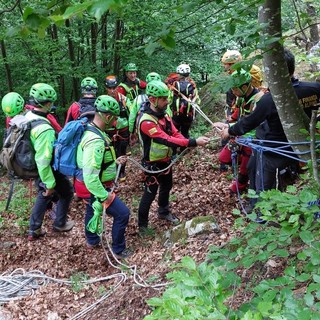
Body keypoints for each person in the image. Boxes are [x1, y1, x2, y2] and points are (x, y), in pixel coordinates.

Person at [216, 48, 320, 221]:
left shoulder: (270, 99)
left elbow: (249, 122)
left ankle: (262, 216)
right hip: (301, 147)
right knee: (253, 169)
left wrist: (229, 131)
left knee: (263, 184)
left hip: (272, 150)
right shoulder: (313, 89)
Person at [137, 80, 210, 232]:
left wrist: (187, 141)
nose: (167, 101)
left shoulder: (164, 115)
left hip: (165, 161)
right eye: (163, 99)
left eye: (167, 97)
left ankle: (163, 212)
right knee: (149, 194)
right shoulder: (146, 122)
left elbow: (175, 132)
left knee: (167, 187)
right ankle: (143, 227)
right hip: (152, 165)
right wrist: (192, 142)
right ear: (152, 99)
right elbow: (166, 139)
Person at [76, 95, 132, 259]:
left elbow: (99, 163)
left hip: (90, 186)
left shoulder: (93, 129)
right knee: (122, 214)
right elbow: (91, 175)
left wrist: (115, 162)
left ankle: (92, 239)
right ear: (107, 116)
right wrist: (104, 196)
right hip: (95, 187)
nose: (115, 122)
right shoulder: (95, 141)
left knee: (90, 208)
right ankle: (119, 250)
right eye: (114, 118)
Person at [26, 83, 74, 240]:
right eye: (51, 102)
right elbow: (43, 159)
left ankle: (35, 228)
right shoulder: (44, 129)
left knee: (45, 194)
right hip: (46, 168)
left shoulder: (28, 116)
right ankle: (59, 223)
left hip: (33, 165)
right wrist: (49, 183)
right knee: (65, 191)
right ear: (46, 103)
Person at [213, 69, 265, 194]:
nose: (233, 91)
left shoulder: (258, 101)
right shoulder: (241, 99)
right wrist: (226, 125)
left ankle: (241, 184)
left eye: (235, 89)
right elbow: (238, 117)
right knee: (224, 158)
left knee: (245, 168)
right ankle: (242, 167)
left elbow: (252, 122)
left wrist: (230, 129)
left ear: (246, 86)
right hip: (240, 135)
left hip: (252, 140)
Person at [104, 75, 132, 182]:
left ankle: (122, 171)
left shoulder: (124, 100)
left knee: (122, 151)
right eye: (110, 88)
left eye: (114, 88)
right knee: (111, 153)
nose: (112, 90)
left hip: (123, 130)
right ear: (106, 88)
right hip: (109, 131)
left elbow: (131, 114)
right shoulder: (103, 101)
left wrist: (132, 130)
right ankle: (112, 172)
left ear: (117, 87)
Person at [128, 72, 162, 145]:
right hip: (159, 127)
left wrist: (131, 131)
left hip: (142, 127)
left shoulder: (139, 98)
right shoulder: (162, 99)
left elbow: (132, 116)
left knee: (145, 146)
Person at [169, 64, 200, 139]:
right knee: (185, 132)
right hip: (188, 115)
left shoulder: (174, 85)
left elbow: (169, 99)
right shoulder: (192, 86)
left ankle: (174, 149)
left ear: (179, 74)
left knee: (174, 133)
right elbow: (197, 100)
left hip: (176, 115)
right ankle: (184, 147)